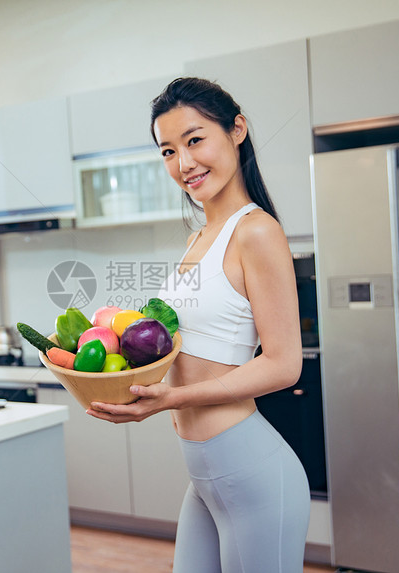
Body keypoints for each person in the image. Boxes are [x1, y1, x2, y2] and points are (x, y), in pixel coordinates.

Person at [87, 77, 310, 573]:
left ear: (237, 130)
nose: (183, 164)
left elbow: (283, 365)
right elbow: (184, 348)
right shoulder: (200, 237)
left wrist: (172, 398)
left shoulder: (256, 231)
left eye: (194, 140)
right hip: (207, 477)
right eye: (168, 150)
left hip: (250, 472)